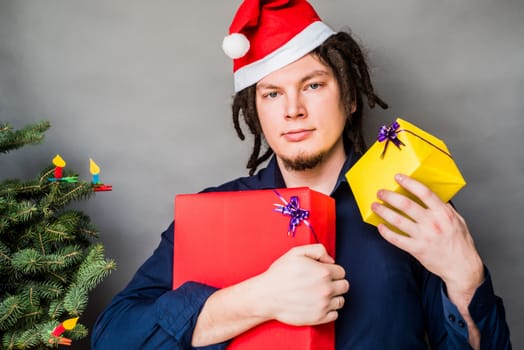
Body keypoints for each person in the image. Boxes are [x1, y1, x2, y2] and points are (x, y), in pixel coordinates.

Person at [92, 0, 511, 349]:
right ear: (257, 112)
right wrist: (256, 300)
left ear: (349, 99)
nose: (293, 109)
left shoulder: (407, 202)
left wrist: (466, 278)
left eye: (313, 85)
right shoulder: (210, 215)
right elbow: (113, 337)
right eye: (272, 93)